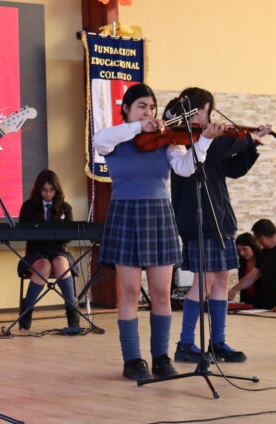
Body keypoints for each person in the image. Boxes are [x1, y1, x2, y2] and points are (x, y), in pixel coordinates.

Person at [92, 83, 217, 381]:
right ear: (126, 108)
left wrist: (204, 141)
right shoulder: (114, 138)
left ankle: (161, 357)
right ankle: (132, 359)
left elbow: (185, 168)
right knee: (130, 292)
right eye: (141, 106)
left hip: (159, 213)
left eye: (151, 108)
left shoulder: (165, 140)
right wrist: (138, 126)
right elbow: (99, 140)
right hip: (126, 213)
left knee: (161, 292)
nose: (148, 112)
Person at [167, 87, 270, 364]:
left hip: (220, 218)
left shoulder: (208, 142)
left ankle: (218, 342)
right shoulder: (186, 141)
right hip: (199, 221)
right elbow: (221, 147)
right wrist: (248, 138)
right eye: (207, 110)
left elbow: (234, 169)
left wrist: (252, 145)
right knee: (203, 282)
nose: (210, 117)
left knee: (221, 281)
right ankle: (185, 343)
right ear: (196, 111)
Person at [17, 169, 79, 330]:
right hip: (36, 252)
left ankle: (72, 312)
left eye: (51, 190)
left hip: (58, 251)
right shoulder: (29, 206)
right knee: (44, 266)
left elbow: (69, 236)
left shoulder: (65, 207)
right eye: (44, 190)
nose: (48, 194)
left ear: (57, 190)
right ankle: (27, 310)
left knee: (60, 263)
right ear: (38, 190)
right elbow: (23, 231)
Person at [229, 219, 276, 313]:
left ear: (262, 239)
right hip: (270, 306)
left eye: (257, 240)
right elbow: (253, 276)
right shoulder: (265, 251)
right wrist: (235, 289)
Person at [235, 232, 261, 305]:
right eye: (239, 250)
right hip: (247, 302)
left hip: (264, 302)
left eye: (245, 249)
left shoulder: (262, 259)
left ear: (253, 246)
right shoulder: (241, 262)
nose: (242, 253)